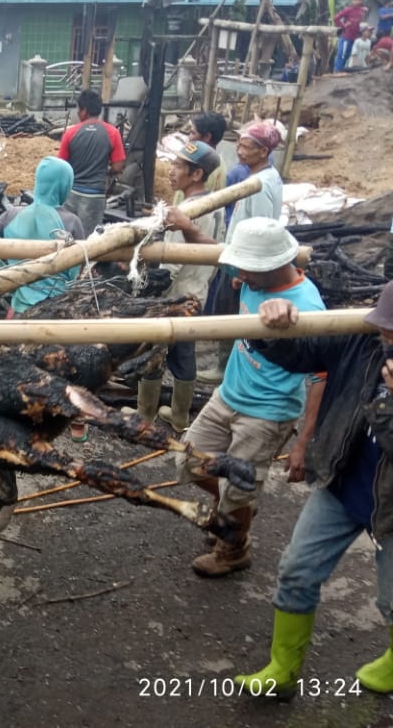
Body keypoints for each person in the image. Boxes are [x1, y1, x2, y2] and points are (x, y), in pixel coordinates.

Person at [233, 280, 393, 699]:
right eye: (384, 326)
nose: (386, 336)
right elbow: (301, 356)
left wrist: (389, 401)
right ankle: (282, 672)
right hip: (343, 484)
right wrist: (272, 327)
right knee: (297, 571)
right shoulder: (362, 341)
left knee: (392, 602)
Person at [176, 217, 325, 578]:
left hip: (267, 413)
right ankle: (236, 508)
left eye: (248, 268)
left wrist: (304, 442)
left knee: (238, 490)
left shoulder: (307, 306)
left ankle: (235, 548)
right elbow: (211, 248)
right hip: (227, 396)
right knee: (189, 461)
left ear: (273, 265)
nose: (240, 272)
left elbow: (320, 377)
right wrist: (183, 224)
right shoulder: (252, 274)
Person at [142, 142, 226, 432]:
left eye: (179, 166)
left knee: (153, 351)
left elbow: (170, 264)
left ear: (196, 173)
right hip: (197, 291)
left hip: (173, 294)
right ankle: (179, 416)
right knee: (184, 352)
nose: (172, 170)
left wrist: (148, 291)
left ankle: (144, 414)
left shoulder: (184, 213)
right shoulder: (215, 205)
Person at [198, 120, 285, 385]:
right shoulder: (265, 177)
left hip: (244, 260)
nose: (240, 152)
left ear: (264, 152)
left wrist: (243, 270)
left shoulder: (258, 186)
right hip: (241, 257)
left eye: (248, 148)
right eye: (239, 145)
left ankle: (225, 369)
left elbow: (257, 229)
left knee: (233, 313)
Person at [0, 156, 84, 316]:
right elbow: (77, 275)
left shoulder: (12, 215)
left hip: (20, 309)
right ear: (64, 185)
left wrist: (7, 274)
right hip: (58, 313)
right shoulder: (72, 223)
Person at [57, 88, 126, 233]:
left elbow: (60, 166)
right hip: (95, 195)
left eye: (79, 109)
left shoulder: (70, 133)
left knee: (65, 236)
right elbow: (118, 166)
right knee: (89, 241)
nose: (77, 113)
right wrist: (105, 171)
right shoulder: (112, 133)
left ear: (85, 110)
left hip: (71, 193)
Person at [184, 111, 227, 192]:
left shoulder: (201, 166)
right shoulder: (220, 163)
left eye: (193, 133)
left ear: (207, 136)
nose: (189, 137)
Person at [334, 0, 369, 72]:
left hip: (354, 37)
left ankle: (342, 70)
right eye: (355, 0)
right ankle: (337, 71)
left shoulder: (362, 11)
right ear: (351, 1)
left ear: (362, 1)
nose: (356, 1)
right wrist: (343, 26)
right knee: (342, 54)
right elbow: (336, 18)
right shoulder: (348, 10)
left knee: (348, 54)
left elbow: (361, 22)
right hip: (346, 36)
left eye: (359, 0)